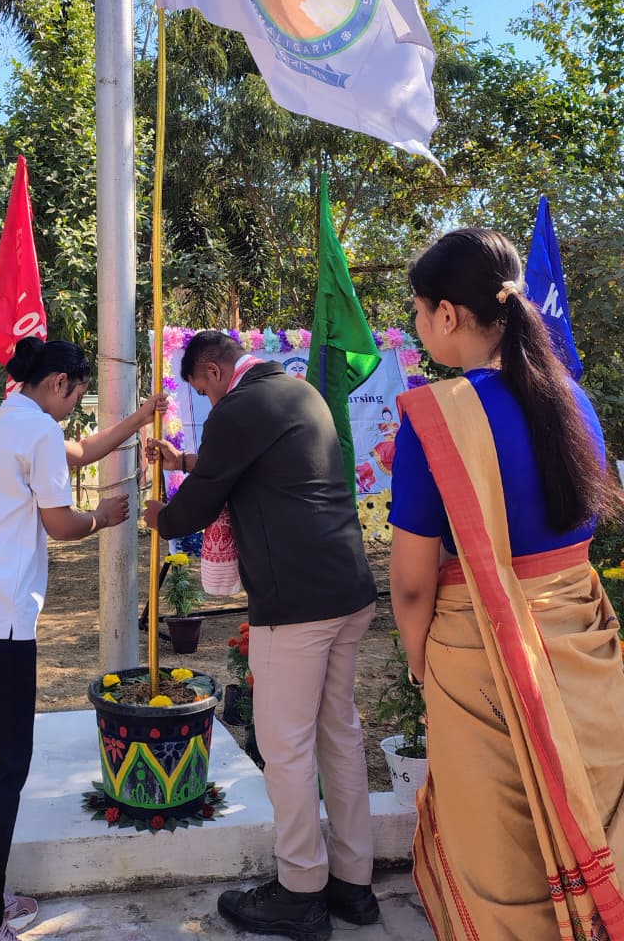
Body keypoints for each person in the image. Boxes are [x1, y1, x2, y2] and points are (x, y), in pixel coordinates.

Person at [389, 228, 624, 940]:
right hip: (581, 640)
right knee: (596, 827)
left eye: (419, 311)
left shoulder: (435, 417)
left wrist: (422, 664)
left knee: (498, 857)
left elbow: (411, 583)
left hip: (481, 658)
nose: (419, 325)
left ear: (448, 314)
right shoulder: (572, 401)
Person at [145, 330, 380, 941]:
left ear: (214, 371)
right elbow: (248, 465)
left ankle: (300, 890)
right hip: (348, 589)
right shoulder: (297, 392)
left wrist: (161, 517)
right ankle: (353, 884)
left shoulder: (239, 406)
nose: (206, 402)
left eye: (202, 391)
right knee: (339, 735)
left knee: (286, 746)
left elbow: (197, 508)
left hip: (296, 603)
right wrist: (185, 463)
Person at [0, 336, 166, 941]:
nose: (73, 410)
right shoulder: (37, 430)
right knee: (2, 766)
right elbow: (60, 524)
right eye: (76, 396)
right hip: (1, 620)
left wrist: (140, 417)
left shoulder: (5, 419)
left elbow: (81, 452)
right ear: (60, 382)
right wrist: (102, 518)